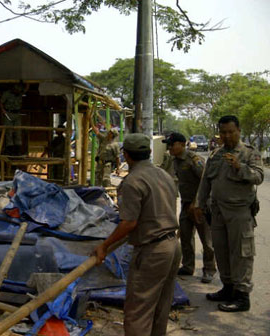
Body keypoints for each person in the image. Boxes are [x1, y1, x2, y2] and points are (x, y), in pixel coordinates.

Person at [93, 133, 181, 336]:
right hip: (172, 245)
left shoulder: (132, 182)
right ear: (148, 153)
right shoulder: (163, 174)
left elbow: (129, 223)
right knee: (160, 305)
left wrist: (104, 246)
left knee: (138, 311)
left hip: (153, 251)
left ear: (125, 155)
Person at [194, 115, 263, 312]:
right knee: (221, 251)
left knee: (241, 253)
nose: (227, 136)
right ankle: (228, 288)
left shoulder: (249, 153)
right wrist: (199, 204)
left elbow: (258, 176)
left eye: (230, 132)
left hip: (239, 212)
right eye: (223, 132)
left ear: (238, 131)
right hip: (217, 212)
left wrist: (239, 167)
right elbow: (206, 181)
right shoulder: (216, 154)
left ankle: (242, 296)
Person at [163, 132, 216, 283]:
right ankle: (187, 266)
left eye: (172, 145)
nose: (170, 148)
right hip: (186, 204)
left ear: (181, 144)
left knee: (207, 240)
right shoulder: (175, 160)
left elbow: (206, 182)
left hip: (201, 205)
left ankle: (209, 269)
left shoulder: (194, 160)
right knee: (185, 236)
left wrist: (197, 203)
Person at [0, 82, 29, 156]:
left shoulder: (20, 93)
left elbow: (26, 89)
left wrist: (27, 79)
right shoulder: (7, 94)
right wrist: (4, 112)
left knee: (18, 132)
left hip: (17, 114)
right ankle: (10, 151)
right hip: (8, 113)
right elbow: (1, 103)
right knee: (8, 132)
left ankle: (17, 151)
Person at [91, 117, 121, 187]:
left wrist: (118, 169)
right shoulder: (103, 139)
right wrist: (91, 121)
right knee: (97, 179)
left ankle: (107, 192)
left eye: (110, 133)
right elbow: (96, 132)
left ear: (112, 135)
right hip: (100, 163)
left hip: (107, 164)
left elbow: (117, 157)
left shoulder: (114, 145)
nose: (108, 133)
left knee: (106, 179)